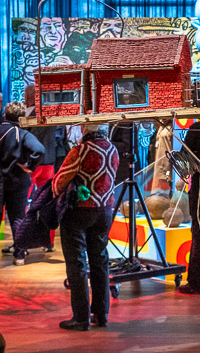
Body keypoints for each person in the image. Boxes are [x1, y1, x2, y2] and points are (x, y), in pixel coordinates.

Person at [53, 122, 119, 331]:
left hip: (80, 211)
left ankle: (81, 318)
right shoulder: (112, 149)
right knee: (100, 261)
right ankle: (101, 314)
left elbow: (59, 182)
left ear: (84, 129)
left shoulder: (80, 150)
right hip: (105, 211)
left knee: (77, 264)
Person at [1, 101, 45, 265]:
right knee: (18, 218)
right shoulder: (23, 134)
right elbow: (39, 150)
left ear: (5, 115)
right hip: (18, 181)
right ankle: (19, 256)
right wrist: (29, 166)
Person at [178, 119, 200, 294]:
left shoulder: (198, 128)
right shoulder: (199, 128)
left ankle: (197, 282)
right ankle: (199, 281)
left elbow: (184, 162)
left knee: (199, 234)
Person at [29, 124, 68, 252]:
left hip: (32, 165)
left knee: (23, 204)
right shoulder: (54, 120)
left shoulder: (30, 118)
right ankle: (48, 242)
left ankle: (22, 246)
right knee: (47, 204)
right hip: (50, 162)